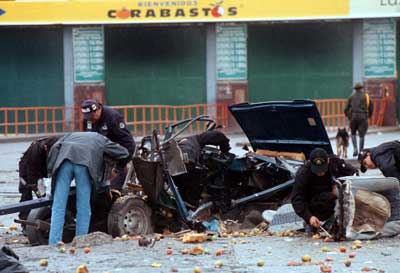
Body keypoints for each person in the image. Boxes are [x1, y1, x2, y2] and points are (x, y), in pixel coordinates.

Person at [47, 132, 129, 245]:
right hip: (83, 165)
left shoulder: (70, 135)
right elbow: (124, 153)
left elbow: (55, 148)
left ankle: (53, 242)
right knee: (83, 206)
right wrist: (116, 168)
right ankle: (81, 240)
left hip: (64, 162)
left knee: (58, 205)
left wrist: (51, 170)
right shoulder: (102, 140)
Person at [291, 148, 358, 235]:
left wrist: (339, 185)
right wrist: (309, 217)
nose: (320, 173)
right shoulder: (303, 173)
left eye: (323, 169)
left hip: (332, 197)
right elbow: (297, 199)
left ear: (328, 161)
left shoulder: (335, 163)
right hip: (313, 202)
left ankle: (337, 222)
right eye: (317, 170)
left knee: (340, 197)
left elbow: (354, 173)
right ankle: (311, 224)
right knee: (327, 198)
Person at [81, 99, 136, 190]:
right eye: (88, 117)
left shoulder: (113, 117)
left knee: (113, 191)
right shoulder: (88, 120)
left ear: (98, 109)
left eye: (92, 116)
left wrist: (118, 168)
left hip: (115, 160)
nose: (90, 119)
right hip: (97, 161)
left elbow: (129, 144)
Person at [18, 136, 61, 224]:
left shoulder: (58, 144)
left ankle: (50, 215)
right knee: (26, 192)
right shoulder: (35, 151)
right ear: (45, 148)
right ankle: (25, 220)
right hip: (27, 168)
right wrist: (39, 191)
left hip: (43, 167)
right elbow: (33, 175)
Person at [344, 82, 374, 158]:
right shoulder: (366, 96)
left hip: (353, 117)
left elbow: (346, 109)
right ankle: (361, 151)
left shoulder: (351, 97)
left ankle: (355, 149)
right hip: (363, 117)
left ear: (355, 89)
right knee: (362, 135)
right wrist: (369, 116)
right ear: (361, 88)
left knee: (353, 133)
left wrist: (349, 116)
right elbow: (371, 107)